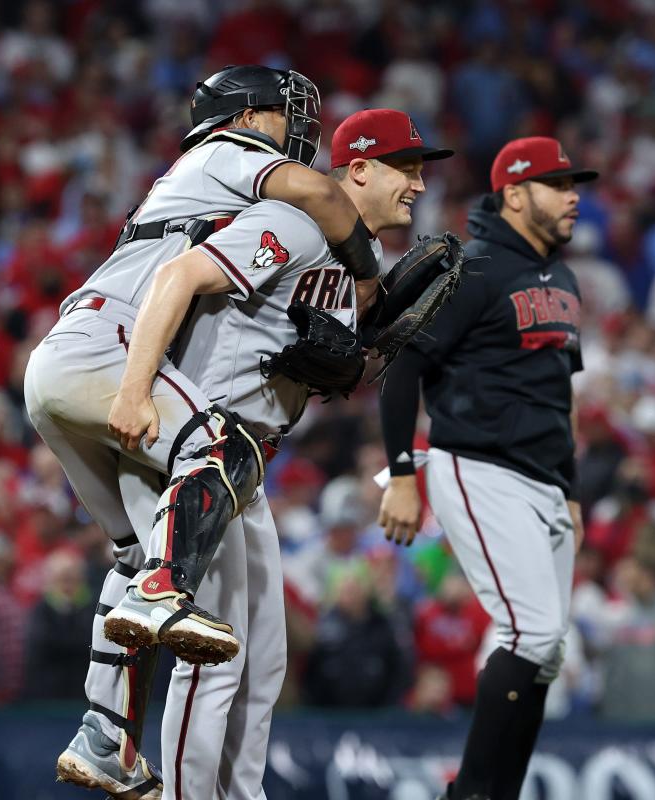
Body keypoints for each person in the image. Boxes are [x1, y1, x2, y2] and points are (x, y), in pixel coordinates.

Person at [59, 106, 448, 800]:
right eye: (406, 168)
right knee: (212, 655)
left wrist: (378, 343)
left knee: (262, 662)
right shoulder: (295, 223)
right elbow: (178, 277)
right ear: (356, 168)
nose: (418, 186)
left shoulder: (361, 264)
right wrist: (136, 390)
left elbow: (335, 373)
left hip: (246, 461)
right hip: (195, 450)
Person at [377, 136, 597, 800]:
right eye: (559, 184)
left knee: (547, 649)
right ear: (516, 193)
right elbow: (401, 369)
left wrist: (573, 491)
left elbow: (561, 392)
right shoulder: (472, 268)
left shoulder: (562, 278)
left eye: (573, 183)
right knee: (529, 632)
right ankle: (471, 793)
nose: (573, 196)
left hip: (545, 479)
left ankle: (496, 791)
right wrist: (405, 474)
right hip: (478, 465)